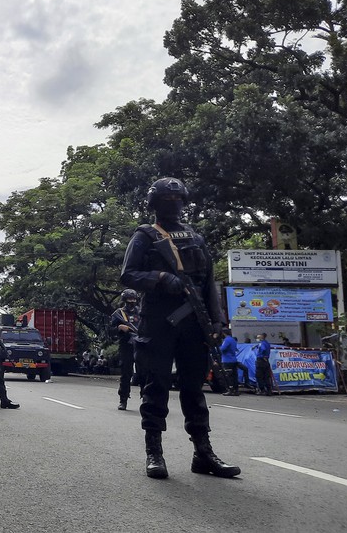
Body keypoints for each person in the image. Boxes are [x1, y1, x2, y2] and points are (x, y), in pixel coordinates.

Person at [120, 177, 240, 480]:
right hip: (159, 322)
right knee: (156, 387)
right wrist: (160, 278)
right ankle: (154, 453)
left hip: (193, 325)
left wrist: (217, 323)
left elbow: (209, 283)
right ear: (155, 204)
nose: (173, 206)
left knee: (193, 390)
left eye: (177, 201)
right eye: (166, 201)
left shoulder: (195, 238)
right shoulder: (145, 236)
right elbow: (128, 274)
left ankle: (203, 453)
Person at [110, 288, 140, 410]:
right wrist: (119, 328)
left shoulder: (141, 312)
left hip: (141, 345)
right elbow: (109, 331)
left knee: (145, 372)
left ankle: (147, 398)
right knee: (126, 374)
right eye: (129, 299)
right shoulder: (119, 313)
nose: (131, 302)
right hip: (126, 345)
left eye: (133, 299)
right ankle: (123, 400)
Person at [219, 329, 241, 396]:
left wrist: (218, 347)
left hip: (227, 360)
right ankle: (236, 389)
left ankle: (230, 390)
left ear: (224, 333)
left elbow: (223, 348)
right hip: (233, 359)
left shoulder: (227, 340)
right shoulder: (233, 340)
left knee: (228, 376)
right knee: (234, 375)